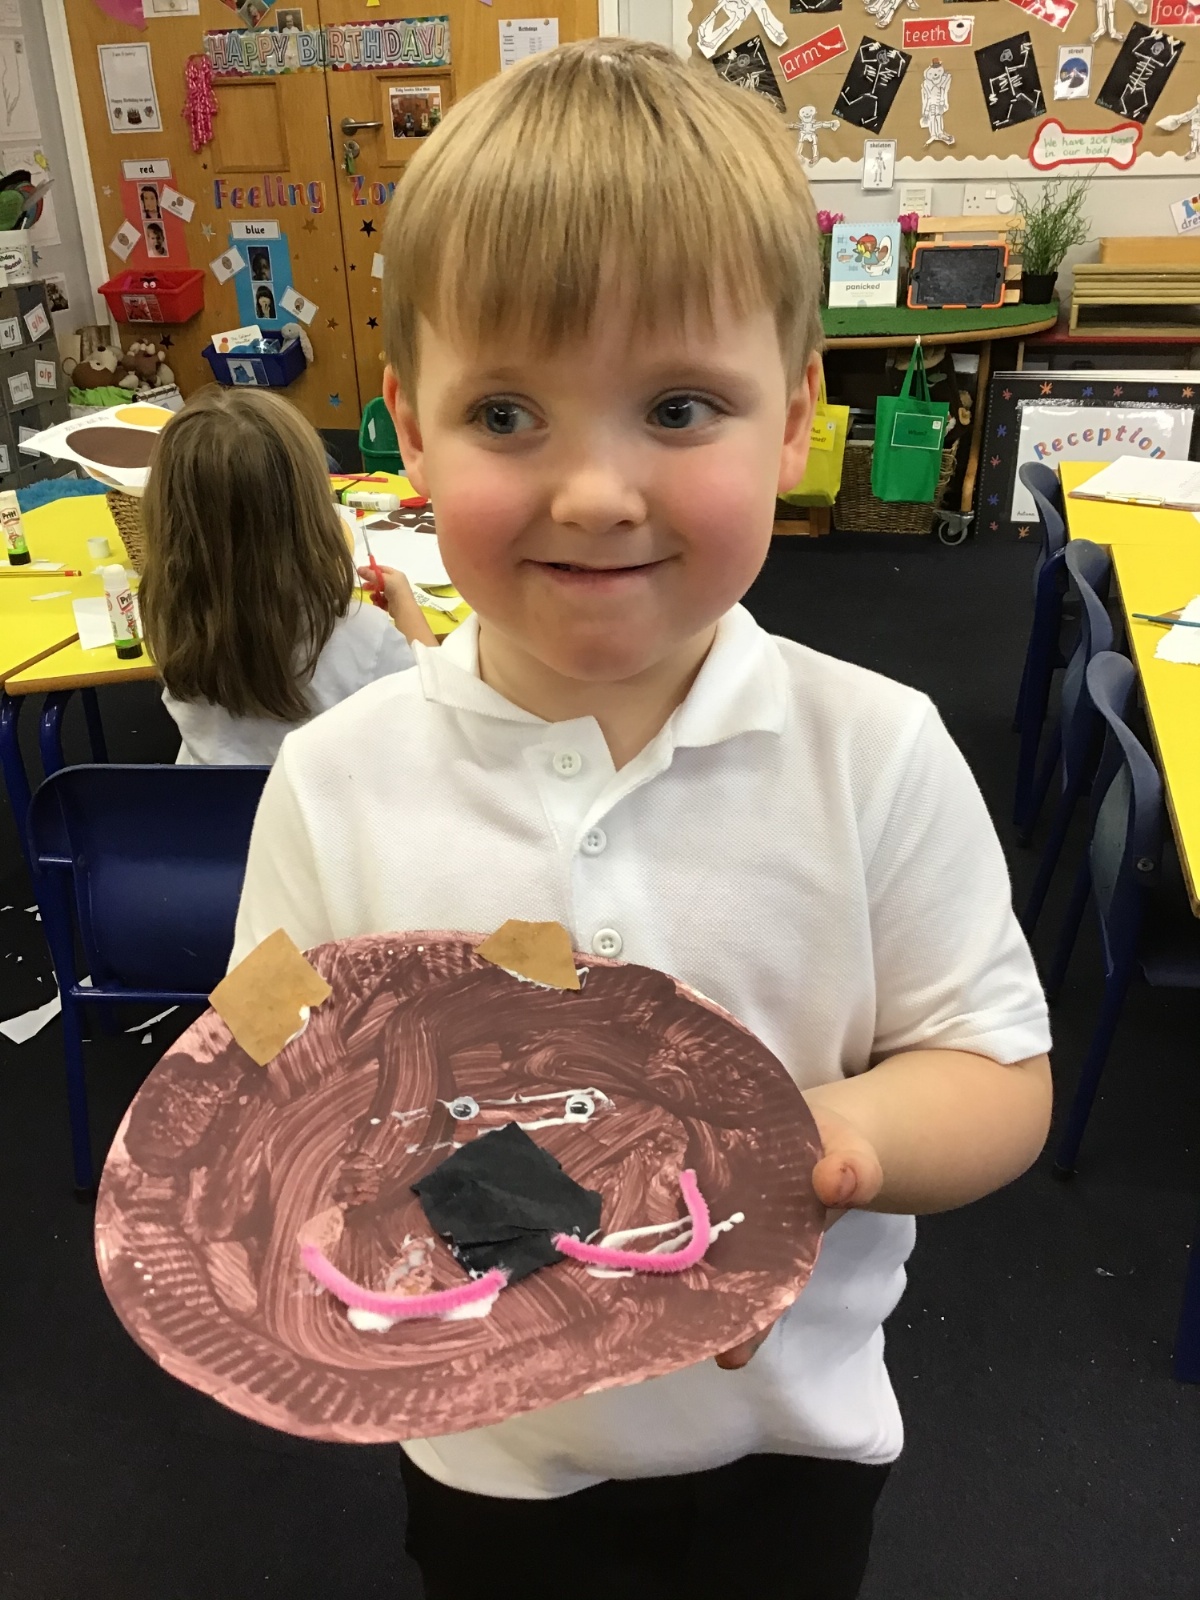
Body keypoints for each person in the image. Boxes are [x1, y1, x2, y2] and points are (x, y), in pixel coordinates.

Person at [230, 40, 1051, 1599]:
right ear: (409, 426)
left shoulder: (874, 752)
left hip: (783, 1445)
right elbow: (272, 1069)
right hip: (487, 1452)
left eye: (679, 407)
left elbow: (998, 1070)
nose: (598, 491)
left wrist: (838, 1137)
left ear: (794, 418)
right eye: (507, 412)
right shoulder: (335, 779)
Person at [139, 386, 435, 766]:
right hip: (331, 803)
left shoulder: (177, 631)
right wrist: (407, 610)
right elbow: (446, 715)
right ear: (312, 515)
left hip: (216, 802)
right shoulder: (363, 638)